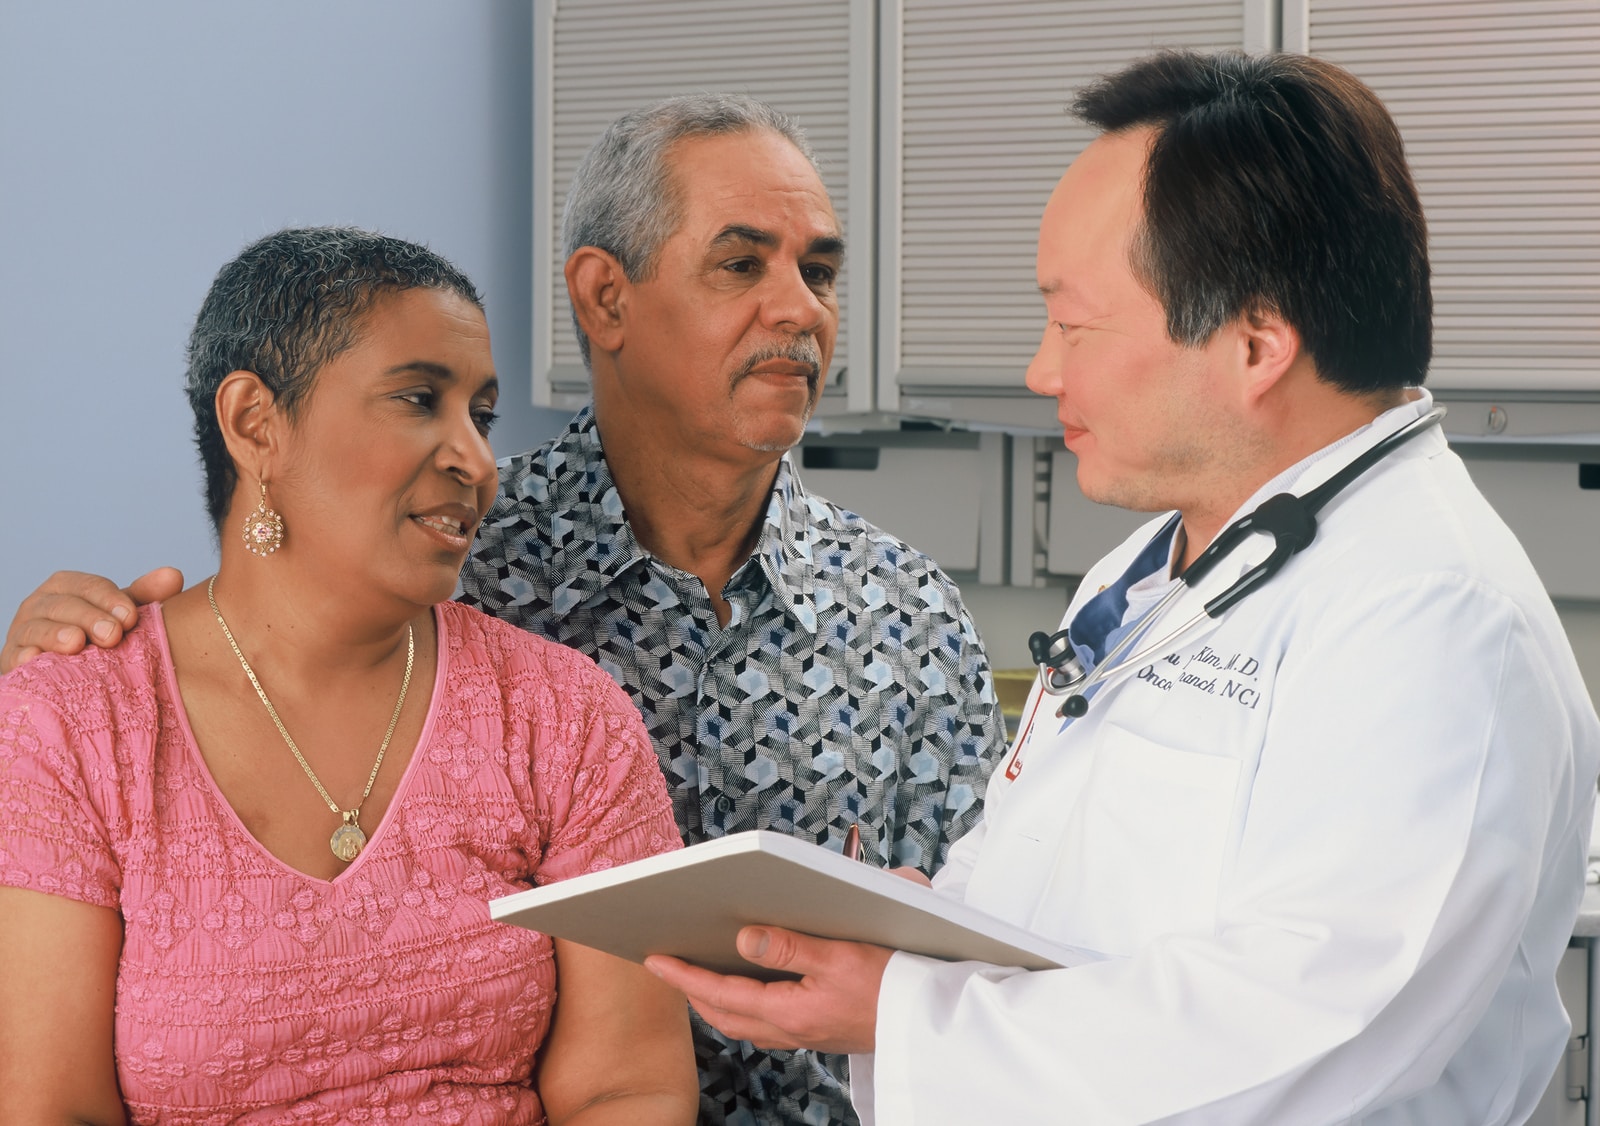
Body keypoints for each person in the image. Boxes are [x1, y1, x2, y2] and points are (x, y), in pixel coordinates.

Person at [0, 95, 1006, 1125]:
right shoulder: (447, 555)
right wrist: (57, 680)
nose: (801, 309)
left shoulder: (907, 615)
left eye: (821, 273)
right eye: (741, 263)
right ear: (603, 299)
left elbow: (998, 953)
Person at [643, 50, 1600, 1124]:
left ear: (1255, 343)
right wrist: (923, 927)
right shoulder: (1151, 567)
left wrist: (905, 1010)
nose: (1041, 370)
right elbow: (1073, 877)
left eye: (1074, 324)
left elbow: (1317, 1032)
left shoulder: (1433, 616)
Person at [0, 228, 697, 1125]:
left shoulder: (564, 717)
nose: (477, 462)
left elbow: (628, 1087)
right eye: (417, 400)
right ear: (256, 423)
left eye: (480, 417)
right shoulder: (72, 724)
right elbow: (51, 1107)